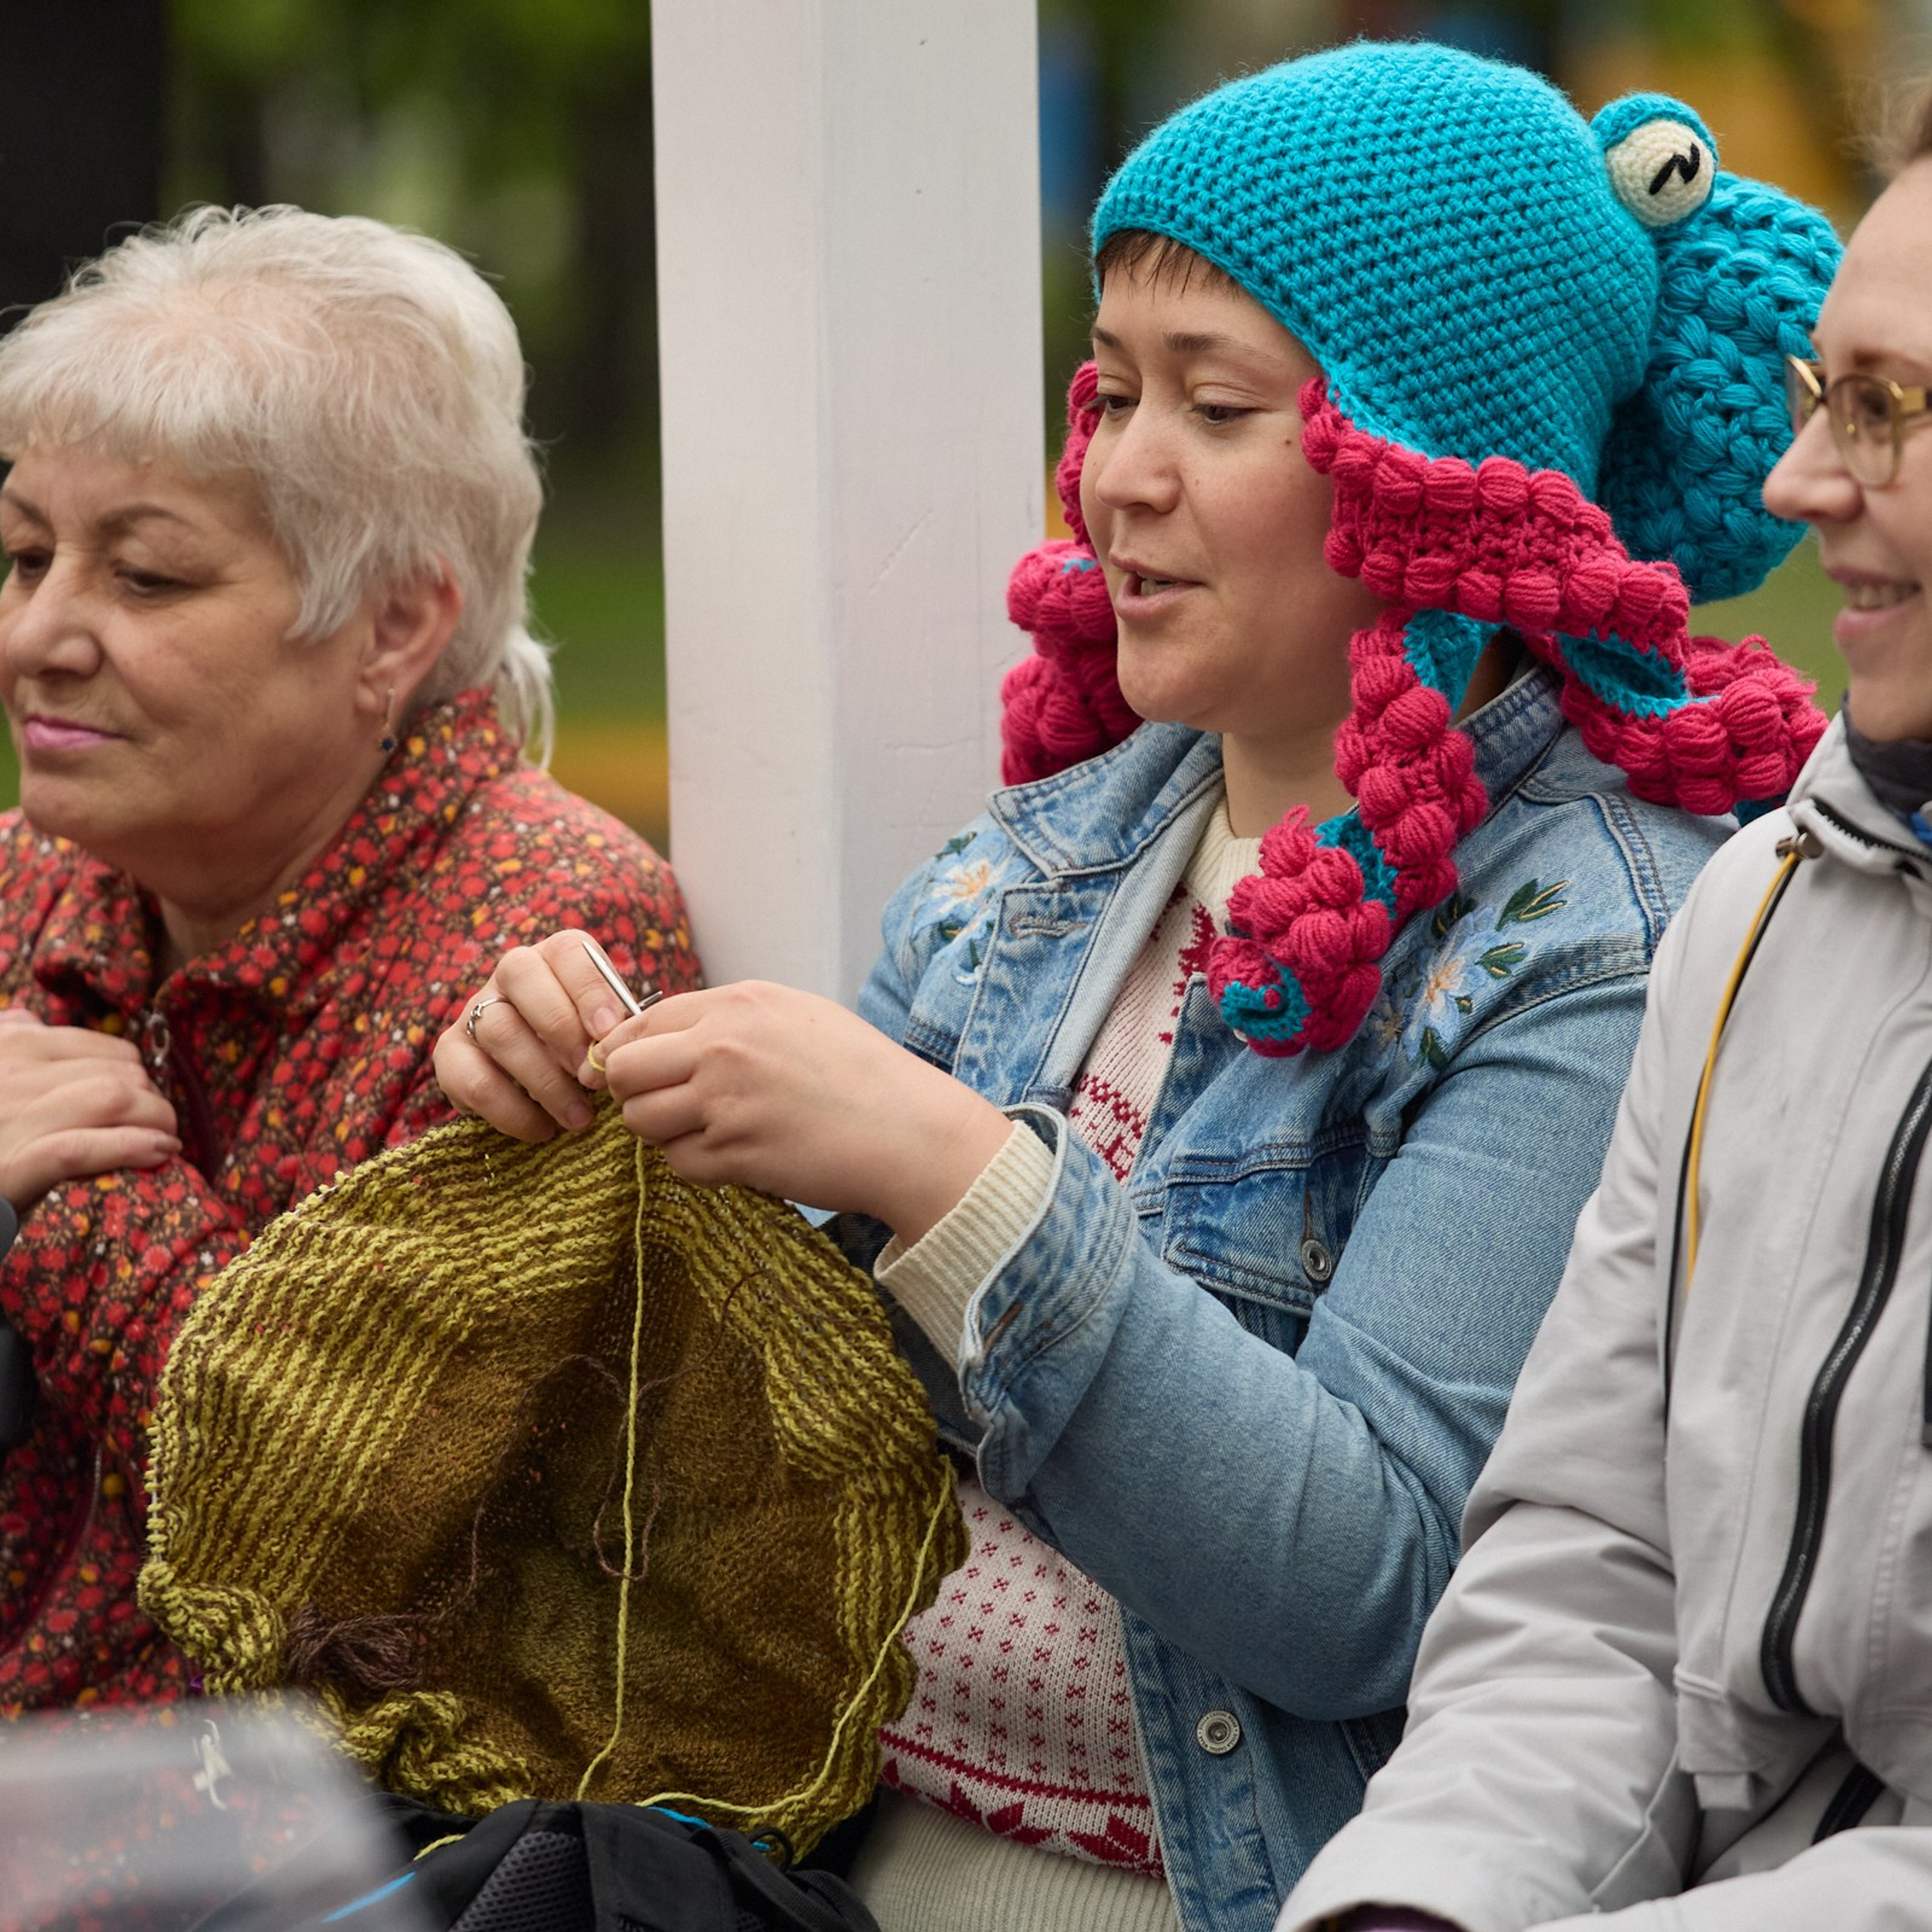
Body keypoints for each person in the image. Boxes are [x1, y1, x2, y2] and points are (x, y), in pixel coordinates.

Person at [438, 45, 1834, 1932]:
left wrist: (953, 1177)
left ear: (1428, 479)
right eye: (1105, 389)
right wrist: (597, 1113)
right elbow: (777, 1442)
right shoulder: (1051, 853)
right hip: (833, 1855)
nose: (1116, 472)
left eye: (1216, 401)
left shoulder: (1588, 942)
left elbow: (1373, 1579)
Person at [1278, 76, 1932, 1932]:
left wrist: (979, 1211)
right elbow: (1588, 1566)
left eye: (1883, 407)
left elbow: (1347, 1562)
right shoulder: (1766, 916)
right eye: (1817, 396)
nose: (1795, 486)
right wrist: (1410, 1901)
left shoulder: (1613, 920)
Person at [0, 206, 700, 1716]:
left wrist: (78, 1197)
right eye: (25, 553)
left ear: (393, 623)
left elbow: (361, 1575)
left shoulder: (539, 946)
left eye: (146, 577)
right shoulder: (29, 880)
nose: (40, 634)